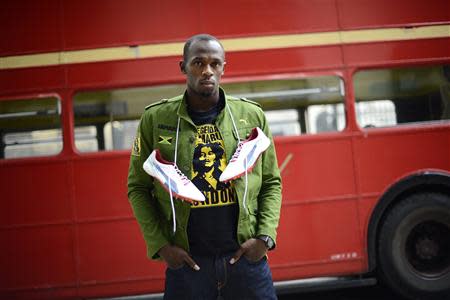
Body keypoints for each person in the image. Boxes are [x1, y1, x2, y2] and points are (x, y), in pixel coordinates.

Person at [127, 33, 282, 299]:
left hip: (245, 261)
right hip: (189, 266)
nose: (207, 71)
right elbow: (138, 189)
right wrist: (162, 246)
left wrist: (264, 238)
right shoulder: (155, 119)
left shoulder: (252, 115)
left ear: (224, 67)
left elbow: (271, 182)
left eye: (215, 64)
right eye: (198, 63)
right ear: (183, 67)